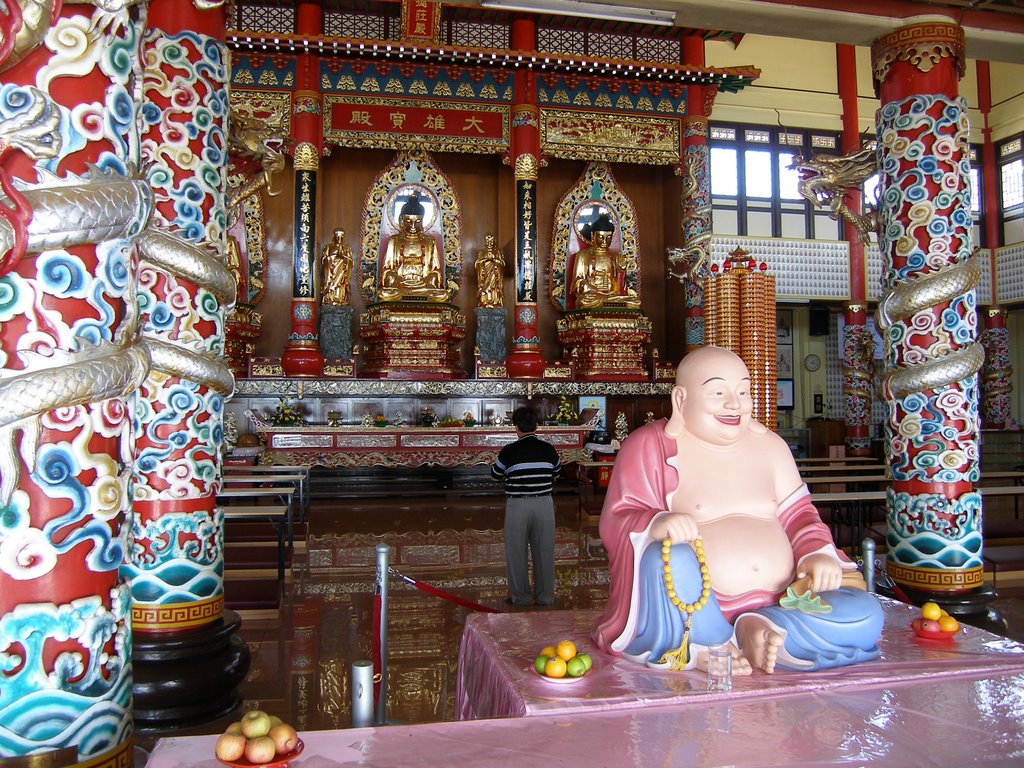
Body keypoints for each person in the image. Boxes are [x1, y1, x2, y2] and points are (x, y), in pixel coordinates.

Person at [592, 346, 882, 673]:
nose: (734, 403)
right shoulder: (650, 446)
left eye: (743, 391)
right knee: (668, 557)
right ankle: (710, 640)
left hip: (785, 597)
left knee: (867, 614)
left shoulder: (771, 447)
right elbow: (619, 516)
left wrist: (816, 553)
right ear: (681, 400)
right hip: (699, 604)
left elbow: (801, 515)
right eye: (718, 392)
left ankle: (757, 628)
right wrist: (657, 521)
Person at [491, 406, 562, 607]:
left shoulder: (509, 451)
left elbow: (495, 475)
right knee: (544, 551)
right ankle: (545, 597)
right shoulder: (548, 449)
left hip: (518, 505)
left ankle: (520, 597)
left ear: (516, 428)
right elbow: (557, 472)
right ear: (536, 426)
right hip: (544, 504)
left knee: (516, 551)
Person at [379, 192, 450, 302]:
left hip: (423, 287)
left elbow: (436, 271)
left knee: (442, 296)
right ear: (402, 221)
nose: (413, 226)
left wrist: (429, 281)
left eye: (417, 221)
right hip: (400, 287)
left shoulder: (430, 242)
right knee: (384, 294)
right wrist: (397, 280)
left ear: (422, 221)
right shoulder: (394, 240)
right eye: (409, 221)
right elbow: (387, 270)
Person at [568, 213, 640, 310]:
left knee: (634, 302)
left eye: (608, 237)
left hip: (612, 297)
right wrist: (590, 287)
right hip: (593, 297)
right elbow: (576, 283)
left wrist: (621, 270)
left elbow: (621, 287)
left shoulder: (616, 256)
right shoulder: (583, 255)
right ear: (593, 235)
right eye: (600, 237)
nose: (605, 241)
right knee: (584, 301)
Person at [321, 228, 353, 306]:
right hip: (331, 271)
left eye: (341, 236)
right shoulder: (328, 247)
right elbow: (323, 260)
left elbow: (351, 261)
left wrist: (344, 259)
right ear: (334, 236)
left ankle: (341, 298)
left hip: (342, 271)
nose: (339, 238)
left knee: (341, 284)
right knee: (330, 284)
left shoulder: (346, 248)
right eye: (337, 236)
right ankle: (329, 298)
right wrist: (332, 258)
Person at [475, 233, 504, 308]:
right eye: (488, 242)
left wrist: (495, 260)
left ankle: (495, 301)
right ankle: (484, 301)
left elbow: (502, 264)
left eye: (491, 242)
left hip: (494, 274)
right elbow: (477, 264)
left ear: (494, 242)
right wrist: (485, 260)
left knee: (494, 287)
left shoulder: (497, 252)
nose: (489, 244)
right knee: (485, 287)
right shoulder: (481, 252)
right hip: (485, 274)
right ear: (485, 243)